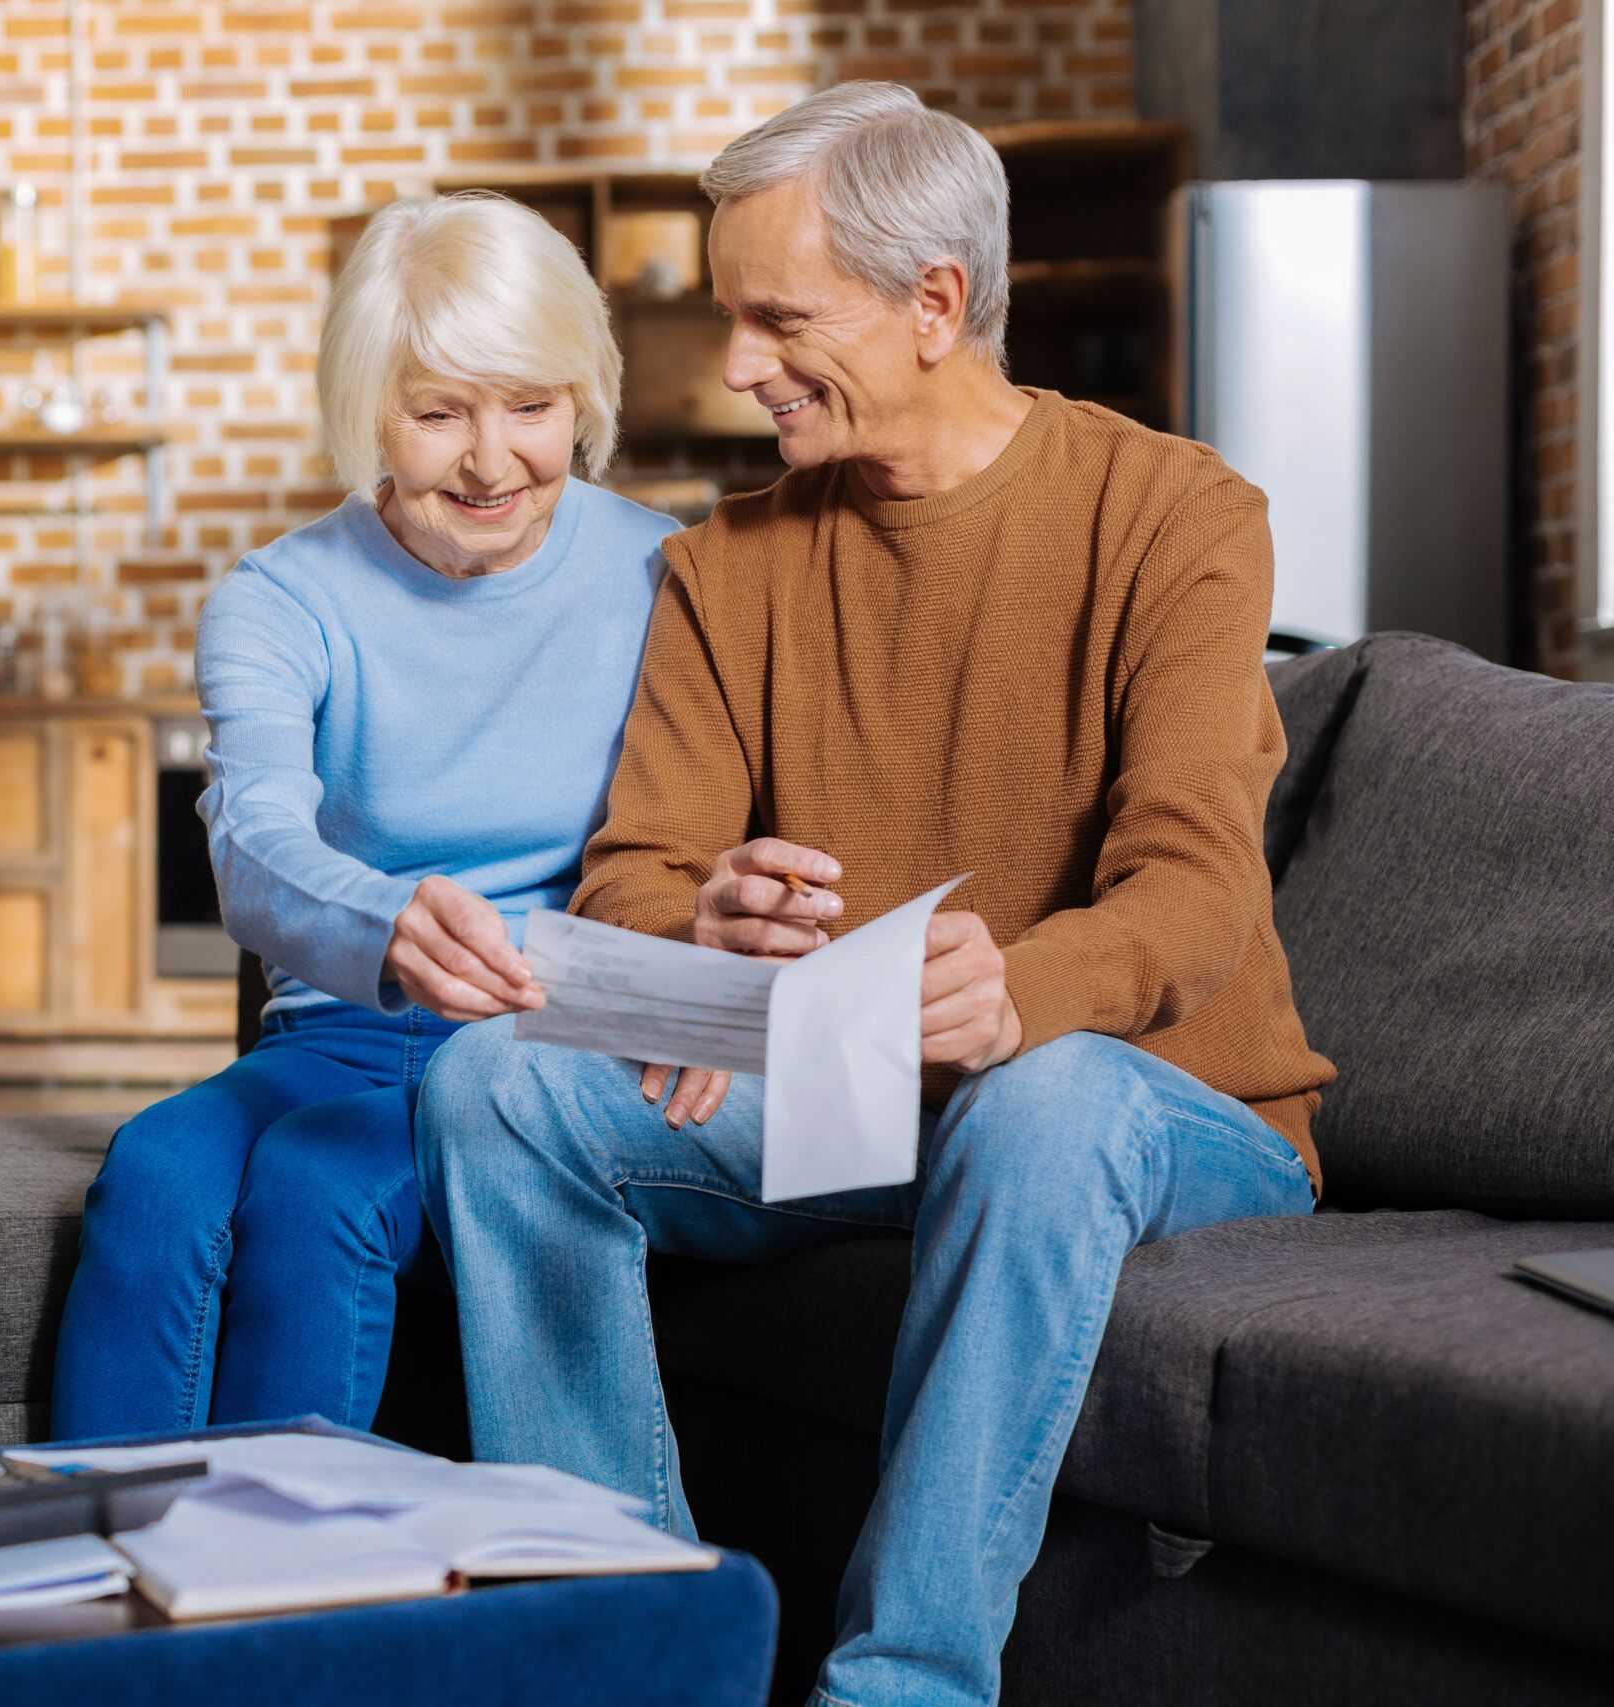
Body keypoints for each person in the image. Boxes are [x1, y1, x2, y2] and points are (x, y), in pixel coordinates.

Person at [413, 83, 1336, 1707]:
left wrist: (1024, 990)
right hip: (853, 1098)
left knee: (1034, 1102)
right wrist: (695, 923)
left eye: (779, 319)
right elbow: (634, 865)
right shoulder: (728, 565)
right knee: (495, 1085)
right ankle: (634, 1649)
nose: (740, 366)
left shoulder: (1181, 515)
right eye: (730, 318)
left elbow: (1196, 890)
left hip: (1162, 1108)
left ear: (936, 304)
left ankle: (902, 1684)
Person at [49, 192, 681, 1439]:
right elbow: (255, 842)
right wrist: (386, 919)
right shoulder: (281, 596)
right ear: (366, 411)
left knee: (319, 1184)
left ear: (585, 400)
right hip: (335, 1030)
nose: (492, 462)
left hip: (536, 1055)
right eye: (439, 412)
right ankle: (101, 1576)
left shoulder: (668, 573)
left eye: (533, 408)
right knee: (157, 1174)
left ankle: (288, 1591)